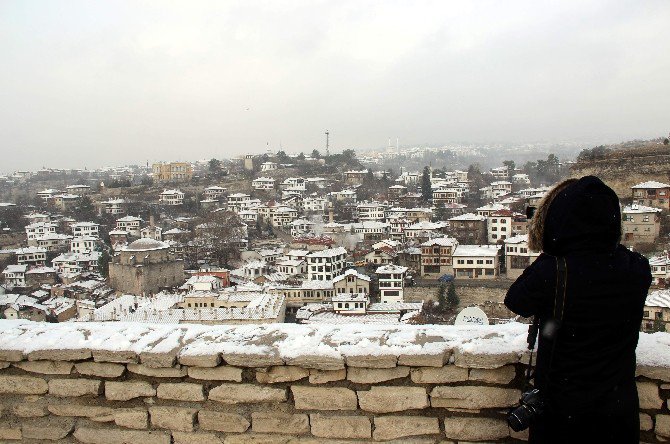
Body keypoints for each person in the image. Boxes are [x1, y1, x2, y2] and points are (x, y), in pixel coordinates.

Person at [505, 176, 652, 443]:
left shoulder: (555, 270)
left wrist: (551, 249)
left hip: (563, 409)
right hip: (616, 408)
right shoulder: (637, 267)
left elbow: (516, 301)